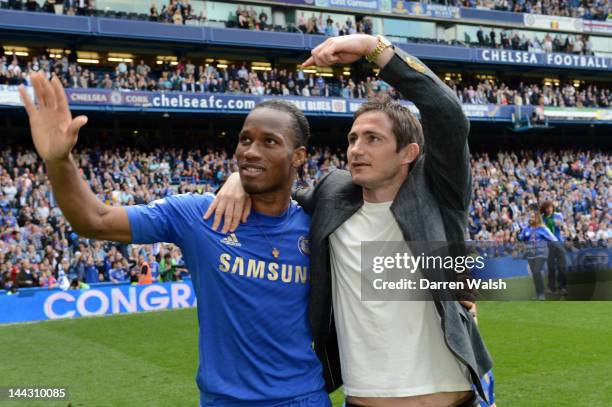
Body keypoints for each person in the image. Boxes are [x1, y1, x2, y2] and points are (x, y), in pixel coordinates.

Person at [208, 34, 493, 406]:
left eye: (372, 139)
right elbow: (274, 194)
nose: (356, 149)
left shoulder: (440, 193)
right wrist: (238, 181)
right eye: (353, 138)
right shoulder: (332, 195)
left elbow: (447, 113)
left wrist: (370, 48)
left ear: (409, 153)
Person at [19, 74, 330, 407]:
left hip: (303, 397)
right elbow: (95, 220)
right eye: (245, 139)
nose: (251, 151)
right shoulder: (198, 215)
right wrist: (58, 160)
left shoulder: (317, 224)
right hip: (226, 401)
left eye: (269, 142)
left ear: (298, 156)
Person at [518, 204, 558, 300]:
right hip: (531, 254)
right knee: (535, 273)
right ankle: (539, 293)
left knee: (536, 271)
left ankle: (541, 294)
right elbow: (521, 237)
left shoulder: (543, 229)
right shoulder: (526, 229)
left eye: (533, 217)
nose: (531, 219)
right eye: (530, 217)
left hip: (541, 253)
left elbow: (554, 239)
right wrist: (519, 235)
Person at [540, 200, 567, 295]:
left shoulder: (558, 215)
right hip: (548, 245)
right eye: (547, 208)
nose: (549, 209)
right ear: (544, 209)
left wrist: (559, 224)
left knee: (562, 267)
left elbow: (562, 225)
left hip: (559, 244)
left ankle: (562, 287)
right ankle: (551, 288)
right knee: (551, 268)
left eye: (550, 207)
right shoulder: (542, 218)